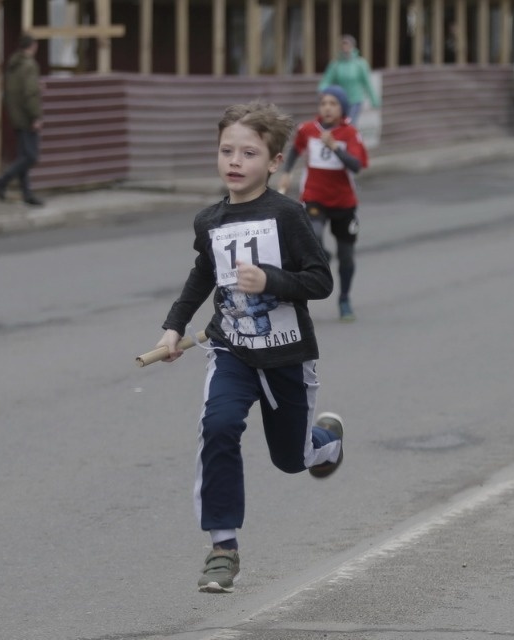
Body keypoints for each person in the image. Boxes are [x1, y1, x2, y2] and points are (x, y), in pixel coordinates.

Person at [154, 101, 344, 594]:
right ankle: (223, 548)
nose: (234, 162)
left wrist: (271, 280)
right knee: (217, 426)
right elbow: (202, 276)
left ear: (275, 161)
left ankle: (326, 444)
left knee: (292, 460)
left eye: (249, 153)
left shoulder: (288, 215)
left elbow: (320, 280)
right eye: (226, 151)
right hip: (231, 349)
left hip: (286, 355)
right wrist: (174, 328)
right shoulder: (210, 220)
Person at [277, 86, 369, 321]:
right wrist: (287, 172)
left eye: (333, 104)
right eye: (324, 103)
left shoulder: (350, 134)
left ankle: (345, 298)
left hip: (343, 202)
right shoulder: (308, 129)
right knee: (313, 233)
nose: (327, 108)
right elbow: (295, 150)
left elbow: (357, 165)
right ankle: (321, 255)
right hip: (314, 196)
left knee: (346, 256)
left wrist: (335, 147)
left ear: (342, 109)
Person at [0, 34, 44, 207]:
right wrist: (36, 116)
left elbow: (18, 89)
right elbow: (29, 94)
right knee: (31, 156)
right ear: (33, 46)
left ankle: (27, 194)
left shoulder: (13, 64)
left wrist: (36, 86)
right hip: (27, 117)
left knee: (23, 155)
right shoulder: (29, 65)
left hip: (16, 115)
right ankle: (1, 181)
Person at [318, 35, 380, 123]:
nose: (345, 48)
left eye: (347, 45)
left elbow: (367, 83)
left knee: (350, 123)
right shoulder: (335, 65)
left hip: (355, 99)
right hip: (341, 100)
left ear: (352, 47)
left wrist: (374, 100)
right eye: (343, 45)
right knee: (340, 123)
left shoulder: (360, 64)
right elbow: (327, 80)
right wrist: (322, 90)